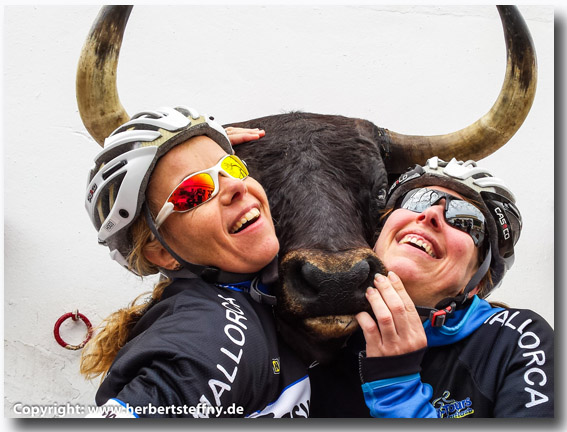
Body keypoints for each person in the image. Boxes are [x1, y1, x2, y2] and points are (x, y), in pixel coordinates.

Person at [81, 105, 309, 418]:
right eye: (194, 192)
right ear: (161, 253)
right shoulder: (212, 333)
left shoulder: (249, 292)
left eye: (235, 167)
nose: (236, 186)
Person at [309, 156, 554, 418]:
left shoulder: (517, 339)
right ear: (377, 236)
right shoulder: (311, 324)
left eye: (464, 218)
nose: (431, 214)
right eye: (418, 199)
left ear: (476, 283)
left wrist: (398, 392)